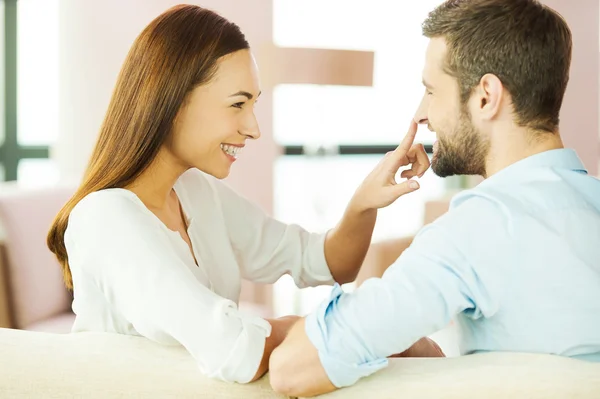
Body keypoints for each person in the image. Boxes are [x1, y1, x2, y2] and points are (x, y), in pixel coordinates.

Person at [46, 4, 430, 384]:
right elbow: (233, 349)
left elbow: (325, 263)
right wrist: (355, 328)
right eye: (237, 104)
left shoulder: (197, 193)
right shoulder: (105, 217)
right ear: (174, 102)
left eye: (254, 105)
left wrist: (364, 202)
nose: (253, 128)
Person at [268, 0, 600, 396]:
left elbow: (293, 369)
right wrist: (430, 356)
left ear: (485, 97)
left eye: (431, 90)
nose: (422, 114)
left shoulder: (478, 228)